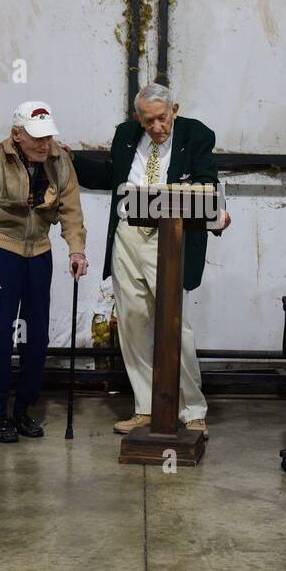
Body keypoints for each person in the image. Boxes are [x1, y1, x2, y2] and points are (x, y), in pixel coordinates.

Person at [73, 83, 229, 437]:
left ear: (174, 109)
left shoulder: (197, 134)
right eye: (148, 121)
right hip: (128, 234)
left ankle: (192, 411)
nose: (157, 127)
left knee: (175, 326)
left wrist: (213, 212)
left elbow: (207, 183)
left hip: (170, 237)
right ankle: (146, 407)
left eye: (162, 118)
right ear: (136, 118)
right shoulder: (125, 135)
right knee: (133, 321)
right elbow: (110, 177)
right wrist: (69, 160)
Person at [0, 101, 87, 443]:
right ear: (17, 135)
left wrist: (76, 249)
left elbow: (71, 211)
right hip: (1, 253)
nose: (45, 145)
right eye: (37, 138)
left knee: (36, 339)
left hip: (39, 256)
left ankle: (23, 409)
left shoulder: (59, 160)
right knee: (0, 336)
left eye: (48, 137)